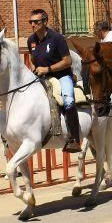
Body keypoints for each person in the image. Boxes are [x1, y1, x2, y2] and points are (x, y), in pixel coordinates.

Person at [27, 8, 82, 153]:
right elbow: (31, 58)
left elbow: (67, 61)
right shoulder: (31, 40)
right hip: (41, 77)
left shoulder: (57, 38)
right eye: (31, 22)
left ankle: (74, 140)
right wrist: (35, 69)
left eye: (36, 22)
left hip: (62, 76)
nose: (33, 25)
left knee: (68, 100)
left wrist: (48, 69)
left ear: (45, 22)